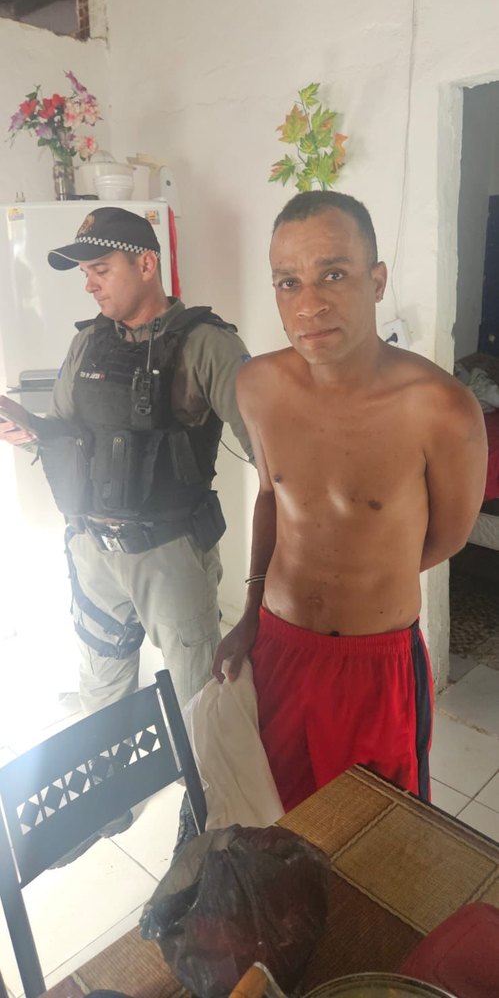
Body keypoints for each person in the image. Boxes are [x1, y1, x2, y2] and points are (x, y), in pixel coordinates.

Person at [213, 190, 488, 813]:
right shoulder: (257, 385)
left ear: (377, 281)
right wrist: (251, 611)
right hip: (279, 646)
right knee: (279, 830)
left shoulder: (442, 408)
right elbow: (270, 495)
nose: (309, 304)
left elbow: (448, 536)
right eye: (288, 282)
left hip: (374, 666)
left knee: (374, 838)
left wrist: (361, 577)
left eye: (333, 274)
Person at [0, 206, 253, 718]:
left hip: (169, 554)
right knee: (101, 698)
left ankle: (203, 773)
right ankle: (113, 772)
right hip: (91, 551)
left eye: (101, 269)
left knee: (199, 703)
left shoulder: (209, 344)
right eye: (84, 273)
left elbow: (270, 453)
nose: (89, 285)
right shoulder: (87, 343)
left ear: (146, 264)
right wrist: (25, 431)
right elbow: (63, 436)